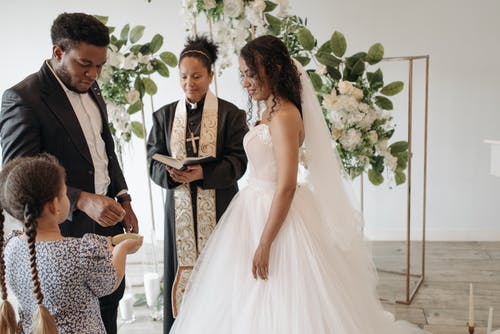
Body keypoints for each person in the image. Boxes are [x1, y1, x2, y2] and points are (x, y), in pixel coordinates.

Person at [169, 35, 430, 334]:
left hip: (275, 213)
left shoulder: (284, 116)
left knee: (282, 293)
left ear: (274, 69)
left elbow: (287, 186)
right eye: (242, 75)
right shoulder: (270, 110)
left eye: (251, 74)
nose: (246, 82)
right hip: (251, 209)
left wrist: (265, 243)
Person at [0, 12, 138, 333]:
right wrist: (80, 200)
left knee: (109, 306)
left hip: (108, 220)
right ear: (58, 52)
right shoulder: (23, 99)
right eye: (85, 64)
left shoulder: (93, 88)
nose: (93, 74)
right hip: (62, 232)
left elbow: (105, 149)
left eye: (100, 65)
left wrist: (124, 197)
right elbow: (20, 177)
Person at [146, 35, 248, 331]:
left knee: (223, 270)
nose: (190, 83)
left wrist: (203, 173)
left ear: (211, 75)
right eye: (183, 77)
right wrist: (170, 173)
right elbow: (153, 159)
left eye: (197, 76)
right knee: (182, 272)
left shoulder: (230, 115)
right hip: (179, 215)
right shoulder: (164, 116)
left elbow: (239, 161)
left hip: (219, 207)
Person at [0, 154, 143, 334]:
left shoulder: (10, 247)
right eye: (64, 192)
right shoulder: (81, 252)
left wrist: (105, 244)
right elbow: (109, 282)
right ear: (55, 205)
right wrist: (122, 249)